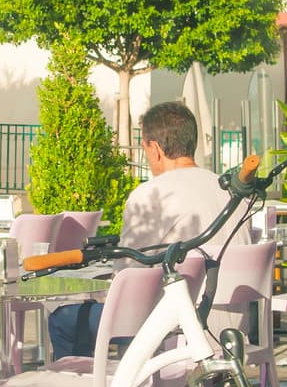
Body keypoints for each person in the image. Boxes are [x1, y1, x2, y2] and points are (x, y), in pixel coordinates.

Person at [45, 100, 245, 358]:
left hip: (180, 326)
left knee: (65, 320)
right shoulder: (230, 191)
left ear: (155, 149)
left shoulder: (152, 194)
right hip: (235, 324)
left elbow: (128, 275)